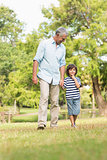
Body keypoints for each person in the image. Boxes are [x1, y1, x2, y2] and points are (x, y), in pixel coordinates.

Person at [32, 27, 68, 130]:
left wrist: (62, 78)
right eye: (62, 38)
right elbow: (36, 60)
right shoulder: (44, 43)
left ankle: (54, 124)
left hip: (56, 77)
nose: (63, 41)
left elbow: (62, 64)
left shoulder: (63, 48)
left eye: (64, 39)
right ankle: (41, 123)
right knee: (44, 98)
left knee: (55, 101)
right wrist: (34, 75)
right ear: (57, 35)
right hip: (44, 75)